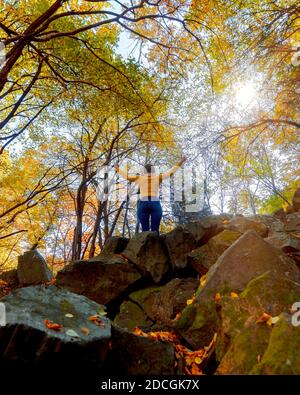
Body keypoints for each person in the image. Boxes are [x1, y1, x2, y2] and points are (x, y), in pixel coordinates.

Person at [114, 156, 187, 233]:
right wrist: (181, 161)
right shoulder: (158, 177)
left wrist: (117, 168)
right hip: (155, 202)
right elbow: (170, 172)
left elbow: (127, 177)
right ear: (153, 171)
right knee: (155, 231)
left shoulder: (140, 177)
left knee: (145, 231)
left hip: (143, 203)